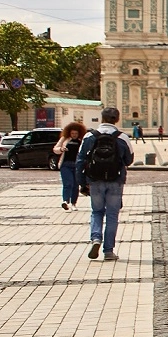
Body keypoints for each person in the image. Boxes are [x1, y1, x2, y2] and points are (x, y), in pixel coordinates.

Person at [78, 107, 134, 261]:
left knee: (96, 211)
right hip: (115, 181)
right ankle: (108, 251)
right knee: (112, 215)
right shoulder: (122, 137)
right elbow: (129, 160)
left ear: (102, 118)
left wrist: (82, 183)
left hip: (95, 180)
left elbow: (80, 160)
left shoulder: (90, 136)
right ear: (117, 119)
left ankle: (96, 238)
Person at [53, 121, 86, 211]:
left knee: (75, 185)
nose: (74, 135)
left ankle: (73, 203)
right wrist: (61, 149)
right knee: (68, 183)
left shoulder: (81, 140)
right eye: (72, 133)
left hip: (77, 165)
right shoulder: (65, 139)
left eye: (76, 133)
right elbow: (55, 149)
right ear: (69, 133)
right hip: (66, 164)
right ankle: (65, 201)